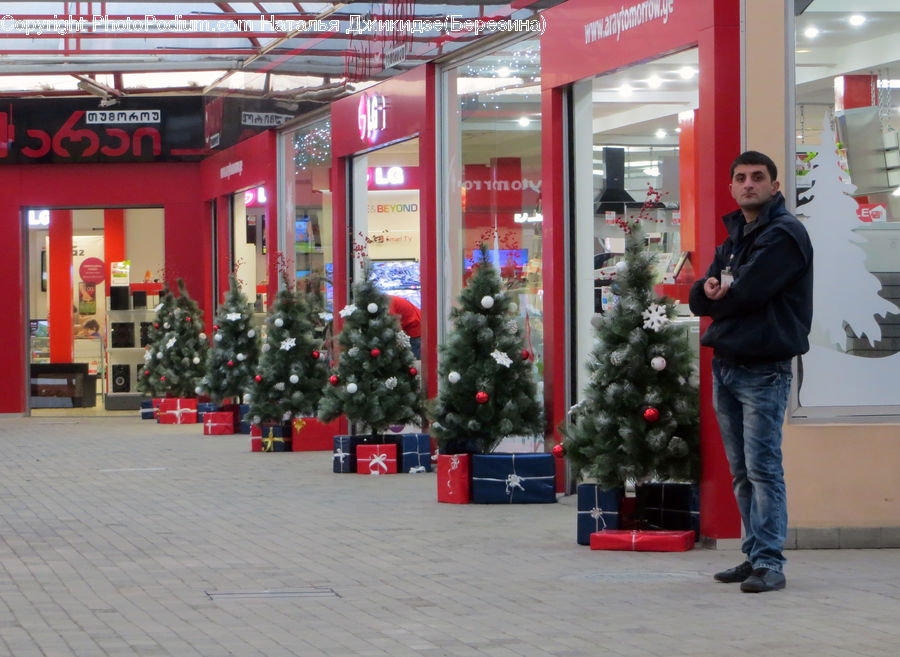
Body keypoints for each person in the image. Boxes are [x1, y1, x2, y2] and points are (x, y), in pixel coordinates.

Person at [688, 151, 813, 594]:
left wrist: (721, 293)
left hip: (764, 368)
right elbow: (701, 298)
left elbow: (749, 294)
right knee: (741, 471)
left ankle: (770, 562)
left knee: (763, 469)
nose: (748, 184)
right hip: (727, 365)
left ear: (774, 186)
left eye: (757, 178)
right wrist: (709, 291)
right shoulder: (736, 235)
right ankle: (753, 552)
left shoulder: (785, 234)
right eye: (740, 178)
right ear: (731, 187)